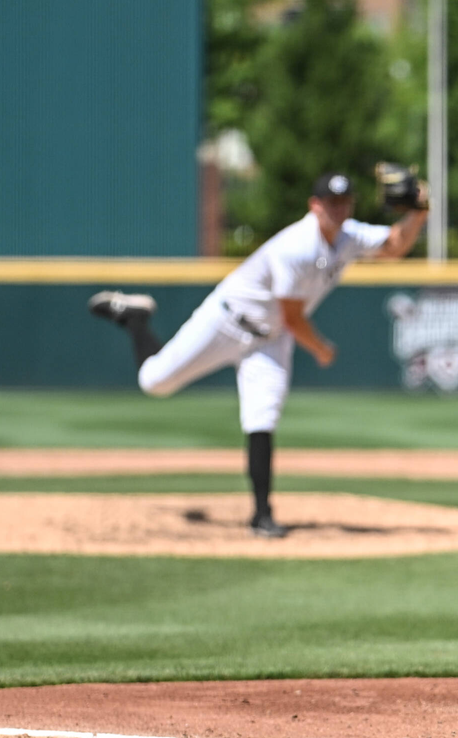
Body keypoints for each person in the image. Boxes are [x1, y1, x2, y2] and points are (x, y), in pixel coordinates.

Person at [87, 169, 428, 537]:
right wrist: (321, 348)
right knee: (154, 381)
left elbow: (394, 246)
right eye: (331, 202)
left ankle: (261, 514)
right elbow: (294, 317)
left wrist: (419, 213)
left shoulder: (349, 236)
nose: (339, 209)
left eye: (345, 202)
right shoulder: (297, 246)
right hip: (227, 320)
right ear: (315, 206)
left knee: (262, 416)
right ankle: (135, 318)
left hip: (269, 337)